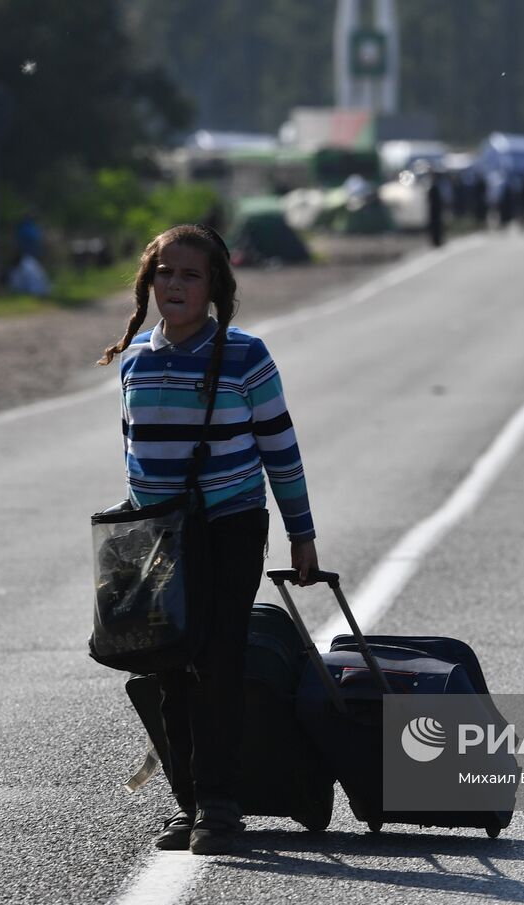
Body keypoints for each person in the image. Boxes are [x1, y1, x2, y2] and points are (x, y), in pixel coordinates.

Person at [97, 223, 320, 856]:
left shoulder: (245, 356)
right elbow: (135, 453)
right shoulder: (137, 359)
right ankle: (189, 802)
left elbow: (282, 451)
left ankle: (220, 808)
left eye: (190, 275)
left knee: (216, 659)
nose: (175, 284)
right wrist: (128, 532)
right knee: (168, 662)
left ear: (213, 288)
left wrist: (301, 533)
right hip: (160, 535)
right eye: (165, 272)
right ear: (148, 281)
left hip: (230, 524)